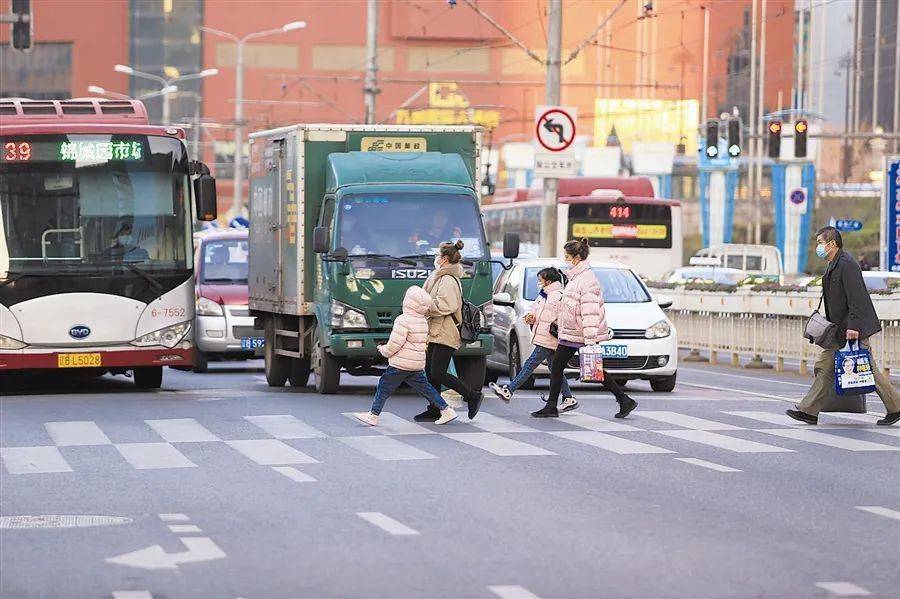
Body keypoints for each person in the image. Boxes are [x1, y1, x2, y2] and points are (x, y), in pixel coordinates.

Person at [787, 227, 899, 426]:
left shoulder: (847, 264)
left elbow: (857, 298)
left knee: (868, 370)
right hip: (839, 330)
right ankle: (809, 411)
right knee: (825, 368)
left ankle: (897, 407)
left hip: (851, 329)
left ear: (832, 244)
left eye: (820, 242)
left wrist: (854, 327)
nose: (818, 247)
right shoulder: (833, 264)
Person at [531, 238, 638, 419]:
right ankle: (623, 399)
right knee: (567, 366)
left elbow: (590, 311)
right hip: (573, 332)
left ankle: (552, 406)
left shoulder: (587, 280)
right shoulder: (575, 277)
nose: (565, 260)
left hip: (579, 333)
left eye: (567, 257)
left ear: (577, 257)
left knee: (569, 367)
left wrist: (590, 341)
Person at [354, 286, 458, 426]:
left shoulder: (403, 320)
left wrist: (384, 350)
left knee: (383, 387)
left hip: (400, 364)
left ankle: (373, 415)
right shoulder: (422, 321)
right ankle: (446, 410)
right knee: (426, 389)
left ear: (408, 302)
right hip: (416, 365)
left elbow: (395, 344)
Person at [489, 267, 578, 412]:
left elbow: (563, 317)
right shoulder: (544, 295)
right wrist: (529, 317)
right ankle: (568, 398)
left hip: (550, 337)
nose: (539, 283)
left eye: (540, 281)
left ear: (548, 281)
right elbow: (534, 309)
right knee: (555, 369)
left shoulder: (559, 296)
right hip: (544, 336)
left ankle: (509, 390)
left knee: (530, 363)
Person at [414, 239, 484, 421]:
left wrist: (426, 307)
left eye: (438, 255)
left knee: (437, 372)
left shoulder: (447, 279)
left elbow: (447, 304)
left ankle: (472, 396)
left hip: (446, 331)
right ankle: (435, 408)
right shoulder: (439, 276)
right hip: (437, 330)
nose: (436, 258)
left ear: (444, 259)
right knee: (430, 372)